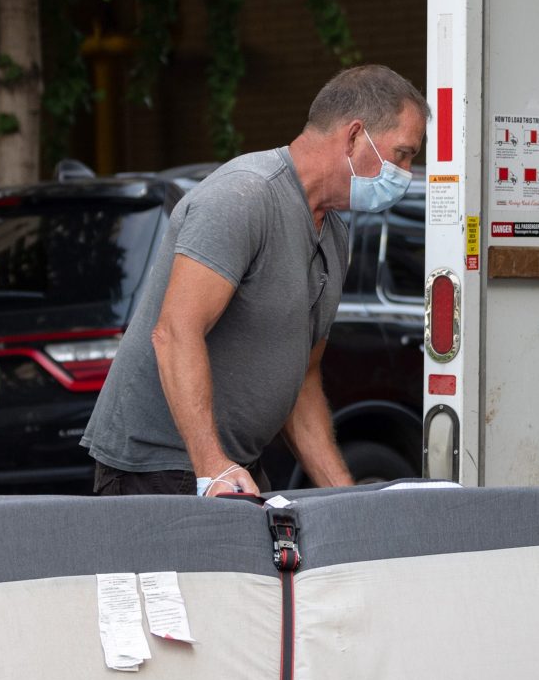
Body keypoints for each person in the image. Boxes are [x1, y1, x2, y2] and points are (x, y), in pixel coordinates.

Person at [82, 65, 425, 497]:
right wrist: (212, 467)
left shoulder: (335, 231)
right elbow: (174, 332)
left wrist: (347, 497)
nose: (407, 171)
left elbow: (301, 380)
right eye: (403, 154)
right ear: (355, 136)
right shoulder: (243, 196)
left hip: (232, 470)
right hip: (156, 471)